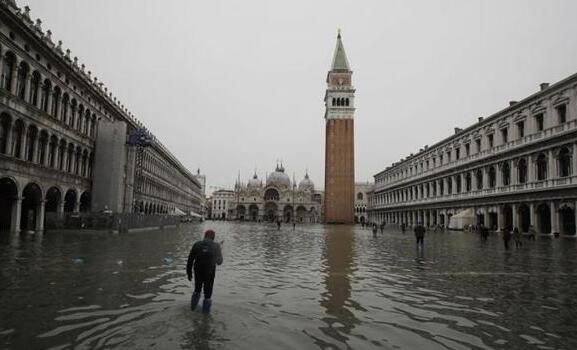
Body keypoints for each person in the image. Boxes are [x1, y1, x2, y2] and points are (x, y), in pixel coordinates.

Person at [186, 229, 223, 313]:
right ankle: (205, 316)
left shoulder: (197, 244)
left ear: (205, 236)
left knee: (197, 290)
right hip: (210, 273)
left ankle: (192, 309)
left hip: (198, 271)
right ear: (213, 237)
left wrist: (189, 273)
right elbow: (219, 262)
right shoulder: (216, 246)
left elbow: (190, 260)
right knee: (208, 295)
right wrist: (219, 251)